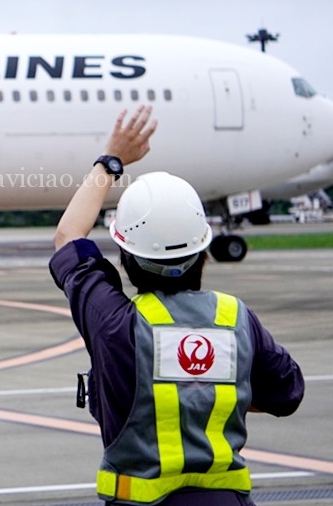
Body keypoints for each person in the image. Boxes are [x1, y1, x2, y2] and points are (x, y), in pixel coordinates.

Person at [49, 105, 304, 506]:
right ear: (204, 250)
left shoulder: (116, 325)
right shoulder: (236, 318)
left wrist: (109, 163)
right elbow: (287, 393)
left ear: (126, 258)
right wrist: (209, 387)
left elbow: (69, 238)